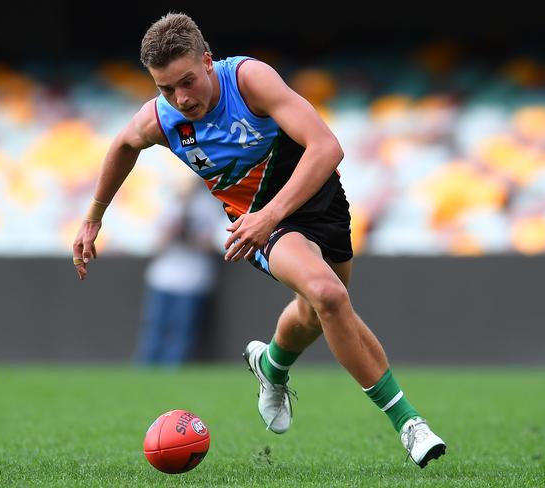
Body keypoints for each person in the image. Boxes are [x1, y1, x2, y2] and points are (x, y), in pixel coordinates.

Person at [72, 12, 446, 467]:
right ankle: (409, 423)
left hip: (318, 204)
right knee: (328, 295)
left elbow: (326, 148)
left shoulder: (249, 80)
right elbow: (123, 145)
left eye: (187, 81)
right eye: (165, 88)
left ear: (207, 61)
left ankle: (270, 366)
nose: (180, 98)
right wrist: (93, 217)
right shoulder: (163, 118)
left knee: (315, 312)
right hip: (258, 225)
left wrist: (271, 213)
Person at [135, 181, 221, 365]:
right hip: (162, 278)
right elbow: (155, 246)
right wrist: (172, 231)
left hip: (193, 280)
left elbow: (213, 244)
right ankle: (145, 373)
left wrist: (193, 236)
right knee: (154, 330)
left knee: (181, 333)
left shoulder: (209, 205)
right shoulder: (167, 205)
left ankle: (172, 374)